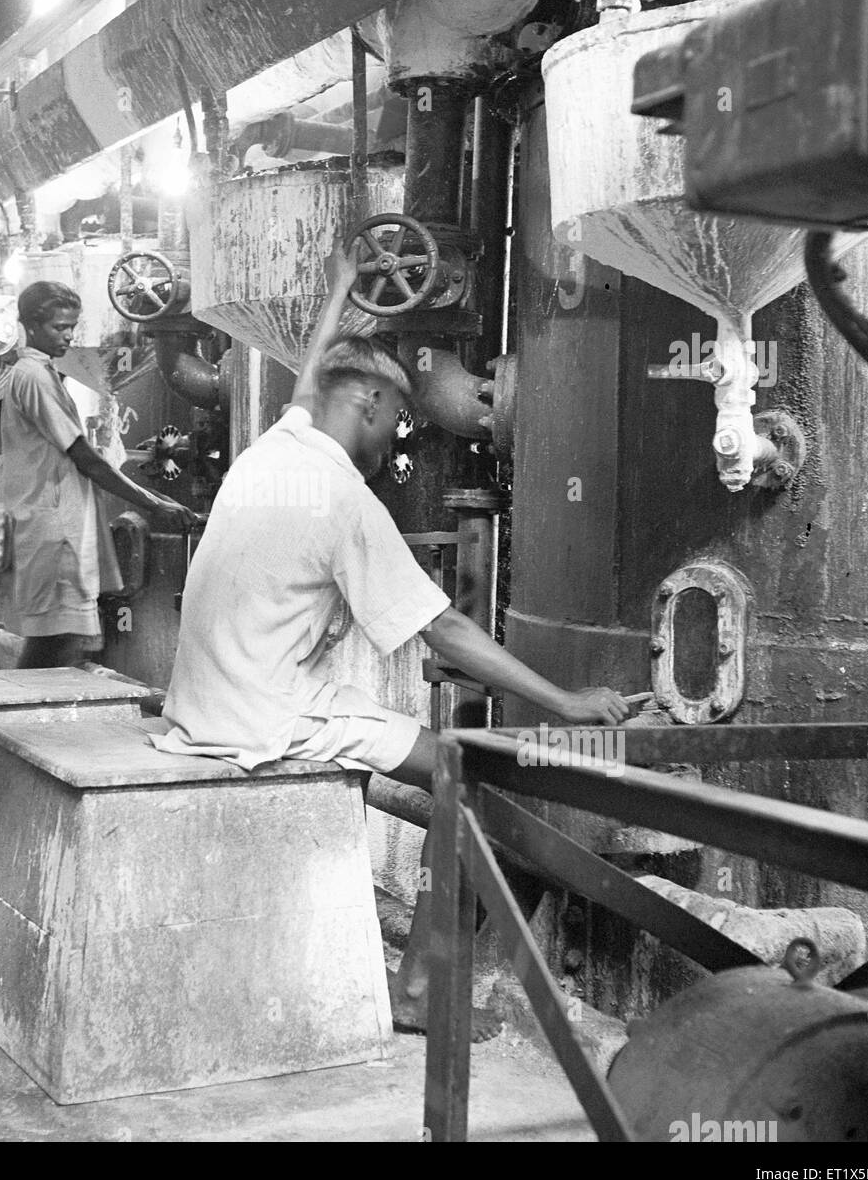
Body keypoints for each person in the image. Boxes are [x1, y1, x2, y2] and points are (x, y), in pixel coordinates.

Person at [152, 245, 630, 1038]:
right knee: (469, 774)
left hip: (209, 701)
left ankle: (418, 970)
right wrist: (565, 701)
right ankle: (416, 992)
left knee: (422, 748)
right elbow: (440, 626)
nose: (395, 437)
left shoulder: (275, 451)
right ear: (368, 405)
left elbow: (311, 379)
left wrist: (342, 290)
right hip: (264, 717)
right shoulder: (342, 499)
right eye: (396, 417)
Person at [0, 281, 198, 669]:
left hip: (59, 528)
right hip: (55, 531)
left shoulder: (40, 374)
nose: (69, 335)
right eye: (60, 327)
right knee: (58, 643)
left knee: (61, 643)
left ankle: (31, 723)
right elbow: (85, 458)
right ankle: (27, 724)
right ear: (32, 326)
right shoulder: (36, 377)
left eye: (72, 326)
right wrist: (152, 502)